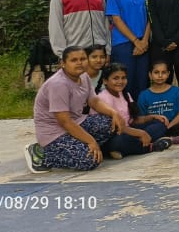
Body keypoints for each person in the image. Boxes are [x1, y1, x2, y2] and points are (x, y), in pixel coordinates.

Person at [25, 45, 124, 173]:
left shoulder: (84, 76)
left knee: (110, 123)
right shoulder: (58, 84)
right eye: (74, 60)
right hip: (54, 133)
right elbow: (64, 121)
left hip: (77, 122)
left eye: (82, 59)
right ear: (63, 63)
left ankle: (77, 147)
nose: (79, 63)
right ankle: (43, 155)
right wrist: (91, 141)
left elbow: (94, 101)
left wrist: (114, 113)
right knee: (90, 160)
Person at [96, 63, 171, 159]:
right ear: (105, 81)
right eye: (116, 78)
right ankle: (151, 146)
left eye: (123, 78)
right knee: (119, 141)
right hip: (114, 135)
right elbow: (115, 128)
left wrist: (152, 117)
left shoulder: (125, 94)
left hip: (130, 131)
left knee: (160, 123)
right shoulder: (103, 98)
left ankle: (129, 148)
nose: (120, 81)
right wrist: (141, 133)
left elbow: (133, 121)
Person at [107, 0, 151, 99]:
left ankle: (140, 111)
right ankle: (124, 110)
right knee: (125, 81)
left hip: (143, 44)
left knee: (142, 81)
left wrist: (144, 41)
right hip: (123, 43)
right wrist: (135, 41)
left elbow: (151, 18)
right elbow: (116, 19)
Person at [138, 60, 179, 142]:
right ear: (150, 75)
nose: (160, 76)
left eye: (163, 72)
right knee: (146, 129)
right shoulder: (143, 95)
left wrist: (168, 127)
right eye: (156, 72)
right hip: (154, 125)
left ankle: (161, 137)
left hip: (172, 124)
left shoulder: (176, 91)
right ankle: (171, 138)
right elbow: (141, 118)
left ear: (168, 74)